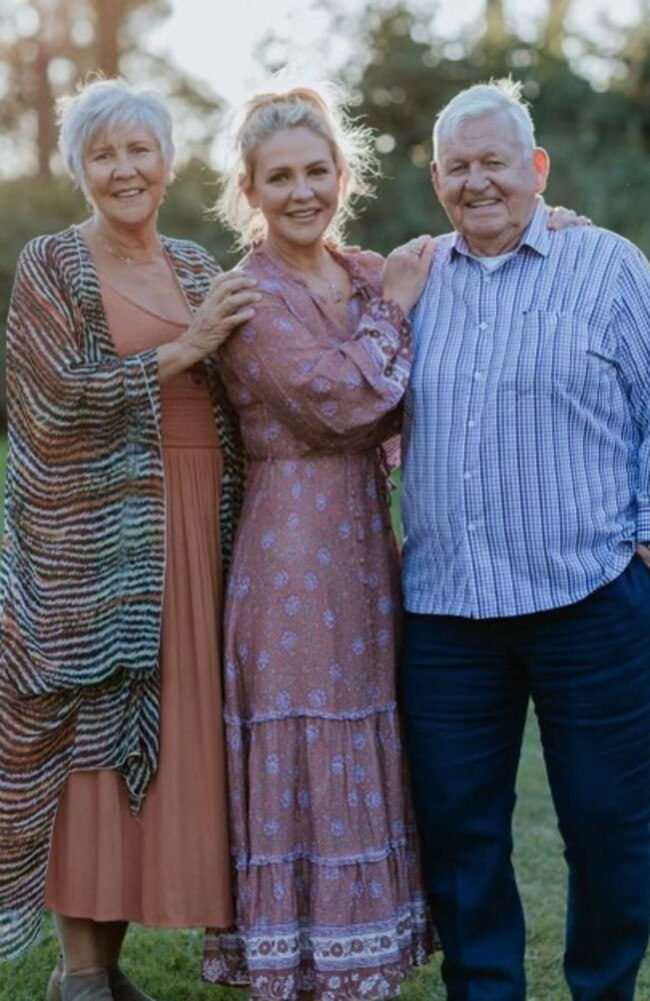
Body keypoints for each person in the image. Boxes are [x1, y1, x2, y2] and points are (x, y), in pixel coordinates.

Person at [0, 78, 259, 1001]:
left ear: (167, 162)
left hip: (193, 531)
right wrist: (179, 352)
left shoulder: (196, 265)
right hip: (96, 551)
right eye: (102, 154)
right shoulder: (51, 263)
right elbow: (47, 401)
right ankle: (80, 974)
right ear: (79, 170)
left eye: (138, 150)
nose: (123, 169)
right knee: (93, 750)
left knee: (164, 748)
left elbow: (292, 316)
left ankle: (108, 971)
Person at [400, 77, 650, 1001]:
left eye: (495, 161)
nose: (478, 181)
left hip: (591, 599)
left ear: (536, 169)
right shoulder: (408, 281)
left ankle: (606, 988)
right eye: (458, 166)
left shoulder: (611, 266)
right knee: (461, 836)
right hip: (448, 614)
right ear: (435, 179)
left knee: (609, 825)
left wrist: (645, 543)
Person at [200, 86, 437, 1001]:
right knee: (305, 737)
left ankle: (360, 954)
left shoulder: (373, 272)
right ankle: (299, 961)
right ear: (250, 190)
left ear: (344, 175)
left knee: (365, 723)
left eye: (316, 170)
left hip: (366, 551)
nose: (303, 191)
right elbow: (344, 399)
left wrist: (558, 217)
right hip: (289, 548)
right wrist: (395, 313)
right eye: (280, 177)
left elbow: (478, 253)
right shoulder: (248, 298)